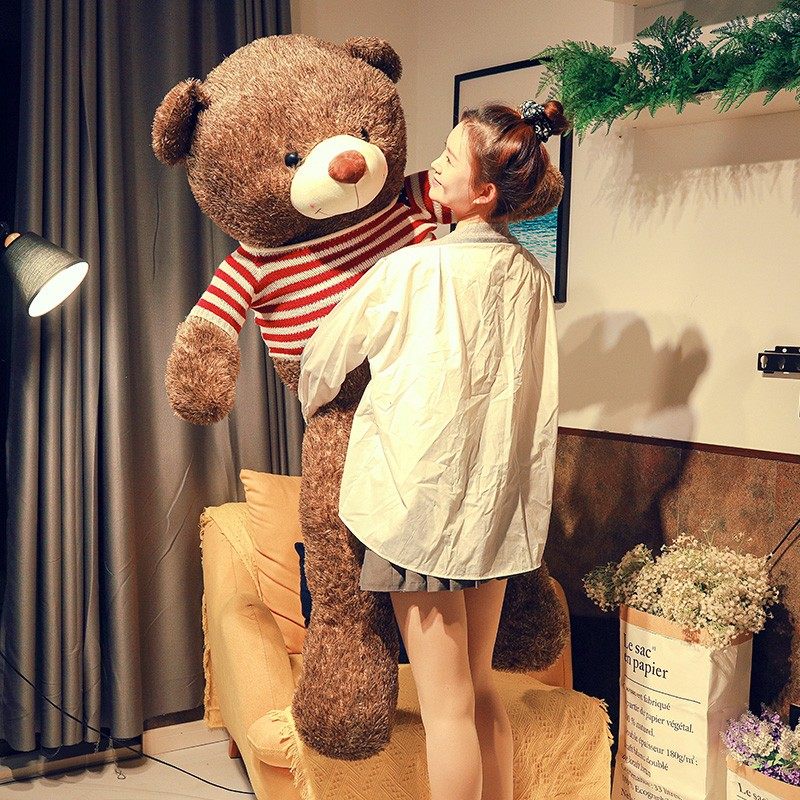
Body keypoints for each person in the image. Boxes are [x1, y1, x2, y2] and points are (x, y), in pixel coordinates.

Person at [297, 99, 569, 800]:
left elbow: (321, 362)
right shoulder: (532, 278)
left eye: (450, 159)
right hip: (493, 514)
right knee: (480, 688)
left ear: (485, 191)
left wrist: (320, 404)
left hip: (420, 509)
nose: (436, 168)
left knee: (445, 708)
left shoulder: (410, 271)